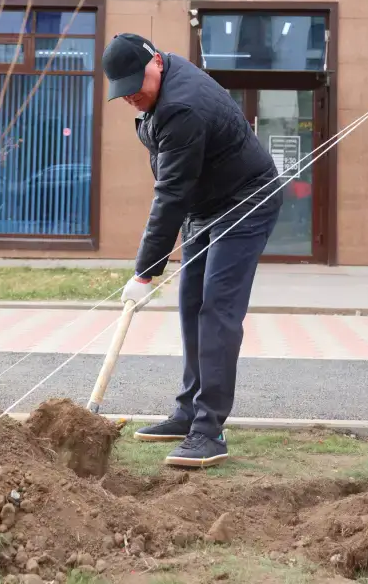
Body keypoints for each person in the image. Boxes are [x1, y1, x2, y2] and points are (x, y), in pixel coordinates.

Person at [102, 32, 283, 467]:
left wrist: (145, 272)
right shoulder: (161, 88)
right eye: (121, 90)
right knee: (191, 305)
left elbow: (170, 193)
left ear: (156, 64)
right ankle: (187, 413)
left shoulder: (182, 105)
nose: (130, 96)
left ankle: (209, 430)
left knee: (217, 311)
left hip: (246, 203)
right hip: (206, 206)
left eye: (134, 85)